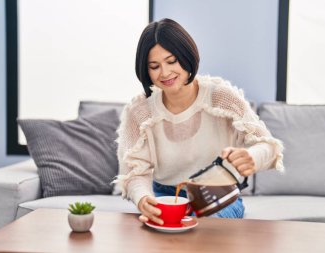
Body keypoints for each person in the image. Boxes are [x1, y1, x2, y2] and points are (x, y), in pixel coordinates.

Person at [114, 18, 283, 225]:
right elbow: (134, 171)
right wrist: (143, 199)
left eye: (172, 61)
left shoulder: (221, 97)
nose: (165, 73)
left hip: (216, 194)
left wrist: (251, 156)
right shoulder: (140, 111)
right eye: (154, 66)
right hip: (164, 195)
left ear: (187, 56)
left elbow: (268, 147)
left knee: (203, 229)